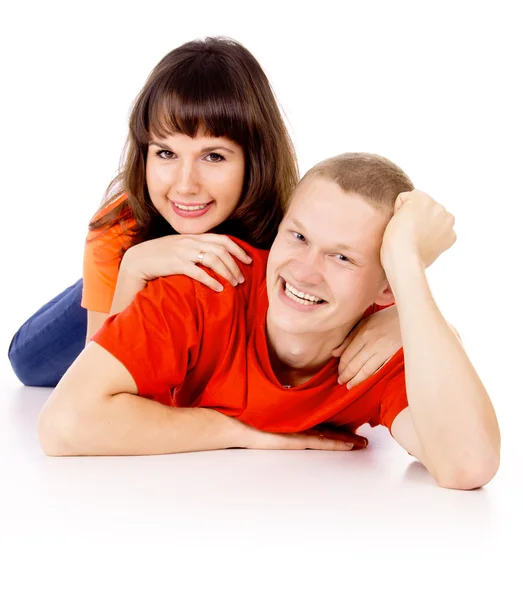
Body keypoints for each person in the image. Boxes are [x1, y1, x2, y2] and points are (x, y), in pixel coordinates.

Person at [38, 153, 501, 490]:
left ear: (386, 289)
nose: (304, 270)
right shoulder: (203, 286)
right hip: (115, 280)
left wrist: (408, 267)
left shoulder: (377, 344)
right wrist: (242, 434)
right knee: (29, 360)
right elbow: (63, 423)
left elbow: (468, 465)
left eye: (342, 257)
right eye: (297, 236)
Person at [8, 37, 401, 389]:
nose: (185, 185)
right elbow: (97, 385)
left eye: (213, 156)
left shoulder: (292, 223)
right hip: (122, 281)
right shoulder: (120, 228)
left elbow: (374, 282)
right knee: (26, 363)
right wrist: (134, 268)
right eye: (165, 153)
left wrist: (399, 322)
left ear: (254, 159)